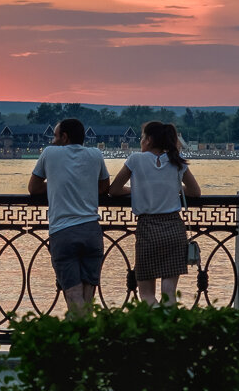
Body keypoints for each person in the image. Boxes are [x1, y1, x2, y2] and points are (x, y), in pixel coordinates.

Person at [108, 121, 201, 306]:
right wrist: (171, 188)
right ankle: (170, 329)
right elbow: (194, 192)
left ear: (149, 140)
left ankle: (153, 330)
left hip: (148, 229)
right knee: (169, 293)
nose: (141, 141)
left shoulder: (135, 160)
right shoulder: (177, 161)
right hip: (174, 228)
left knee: (147, 295)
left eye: (142, 137)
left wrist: (137, 190)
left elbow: (114, 190)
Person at [27, 118, 111, 314]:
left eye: (55, 136)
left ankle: (78, 341)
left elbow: (34, 188)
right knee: (87, 298)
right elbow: (104, 186)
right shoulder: (95, 154)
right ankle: (87, 339)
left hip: (63, 232)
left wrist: (56, 184)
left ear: (64, 137)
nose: (52, 141)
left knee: (73, 296)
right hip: (91, 230)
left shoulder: (49, 153)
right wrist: (83, 186)